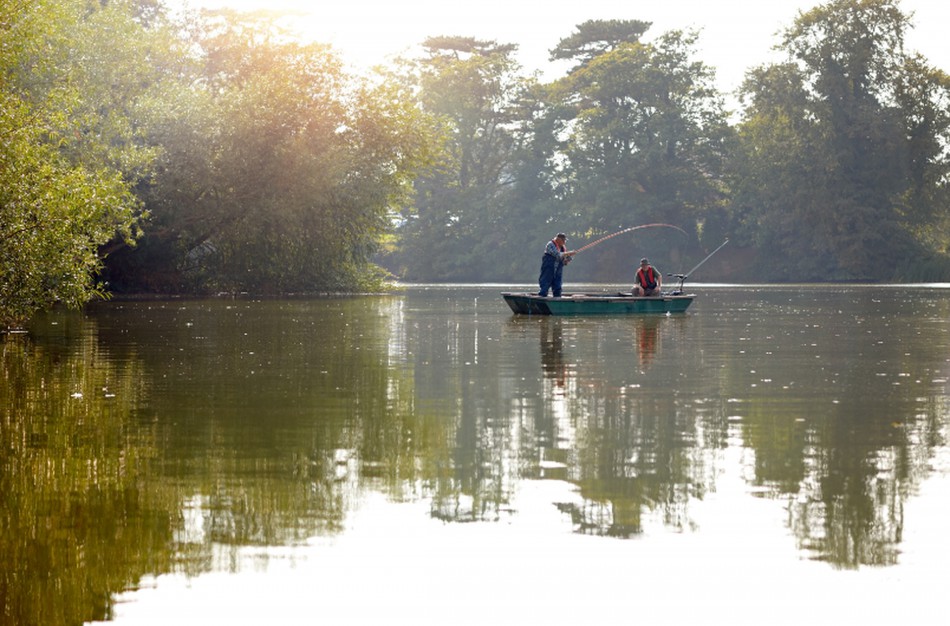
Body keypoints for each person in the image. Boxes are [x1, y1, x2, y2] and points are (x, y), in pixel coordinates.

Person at [538, 233, 576, 297]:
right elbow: (557, 254)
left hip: (558, 271)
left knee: (557, 286)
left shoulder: (563, 248)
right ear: (558, 239)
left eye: (565, 240)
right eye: (563, 240)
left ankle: (557, 298)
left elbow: (565, 261)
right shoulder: (550, 244)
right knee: (545, 284)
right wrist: (568, 253)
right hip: (548, 269)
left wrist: (570, 257)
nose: (564, 242)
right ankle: (542, 297)